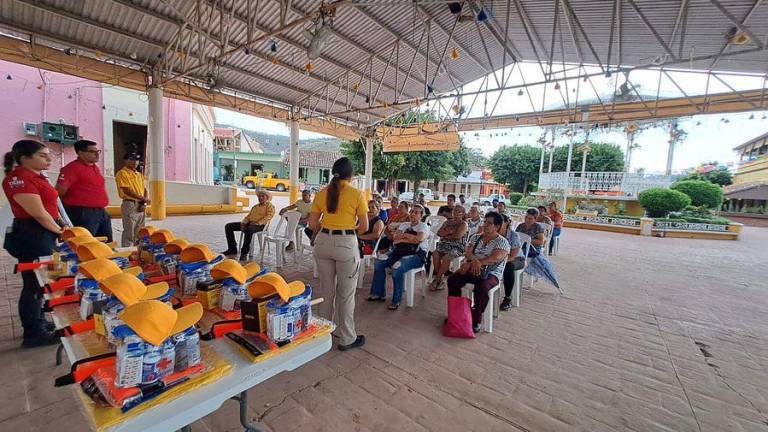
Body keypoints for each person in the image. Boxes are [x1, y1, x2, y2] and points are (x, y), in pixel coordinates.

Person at [3, 140, 64, 347]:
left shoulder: (36, 176)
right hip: (34, 235)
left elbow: (50, 207)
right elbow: (38, 213)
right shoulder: (18, 179)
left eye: (49, 155)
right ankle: (33, 332)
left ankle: (39, 321)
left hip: (45, 232)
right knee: (34, 284)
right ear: (24, 158)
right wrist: (61, 231)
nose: (48, 159)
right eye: (43, 155)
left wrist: (60, 226)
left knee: (44, 281)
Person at [308, 157, 368, 351]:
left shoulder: (321, 193)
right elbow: (365, 227)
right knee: (346, 295)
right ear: (350, 175)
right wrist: (348, 233)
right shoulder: (356, 194)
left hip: (323, 243)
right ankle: (347, 338)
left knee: (327, 292)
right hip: (346, 245)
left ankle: (323, 336)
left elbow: (312, 225)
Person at [446, 212, 510, 333]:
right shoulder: (476, 237)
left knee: (482, 286)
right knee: (453, 279)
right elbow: (468, 252)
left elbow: (494, 258)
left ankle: (476, 319)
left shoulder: (502, 242)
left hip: (490, 273)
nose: (485, 225)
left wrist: (475, 262)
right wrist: (473, 261)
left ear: (496, 227)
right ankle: (456, 314)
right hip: (472, 269)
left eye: (489, 223)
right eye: (485, 222)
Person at [367, 205, 430, 309]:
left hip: (416, 255)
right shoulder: (404, 224)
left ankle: (396, 300)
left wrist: (403, 237)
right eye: (412, 211)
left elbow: (420, 238)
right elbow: (395, 238)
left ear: (421, 216)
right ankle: (378, 293)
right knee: (379, 262)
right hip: (398, 252)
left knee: (397, 267)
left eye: (416, 212)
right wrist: (410, 238)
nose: (413, 214)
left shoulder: (423, 226)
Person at [55, 139, 112, 241]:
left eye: (97, 151)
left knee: (106, 243)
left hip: (100, 211)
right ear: (81, 153)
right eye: (92, 152)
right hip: (82, 213)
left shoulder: (94, 168)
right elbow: (59, 192)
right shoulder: (72, 168)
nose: (97, 154)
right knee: (86, 244)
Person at [222, 190, 275, 261]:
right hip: (250, 223)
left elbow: (269, 216)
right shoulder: (255, 207)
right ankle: (232, 249)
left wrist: (257, 223)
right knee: (228, 226)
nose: (260, 198)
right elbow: (248, 216)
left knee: (249, 230)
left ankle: (244, 253)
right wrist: (243, 223)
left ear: (267, 197)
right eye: (259, 196)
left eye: (262, 196)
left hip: (261, 225)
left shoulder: (270, 206)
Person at [429, 205, 468, 291]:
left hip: (457, 246)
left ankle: (437, 280)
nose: (455, 213)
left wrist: (447, 233)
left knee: (447, 257)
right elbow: (439, 233)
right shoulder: (447, 222)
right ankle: (440, 280)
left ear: (463, 214)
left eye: (458, 211)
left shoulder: (463, 224)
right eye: (454, 211)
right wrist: (450, 233)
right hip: (444, 245)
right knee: (435, 254)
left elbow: (457, 236)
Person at [114, 152, 149, 247]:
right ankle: (128, 252)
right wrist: (143, 198)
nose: (135, 162)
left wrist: (144, 203)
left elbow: (144, 189)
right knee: (129, 231)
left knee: (140, 231)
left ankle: (139, 252)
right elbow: (126, 190)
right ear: (125, 160)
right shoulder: (122, 173)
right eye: (132, 159)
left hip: (140, 204)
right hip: (130, 204)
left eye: (137, 160)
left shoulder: (139, 174)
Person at [499, 227, 525, 311]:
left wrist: (498, 261)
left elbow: (513, 256)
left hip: (517, 259)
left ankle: (507, 299)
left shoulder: (513, 235)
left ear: (506, 223)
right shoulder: (493, 233)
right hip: (501, 258)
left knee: (508, 266)